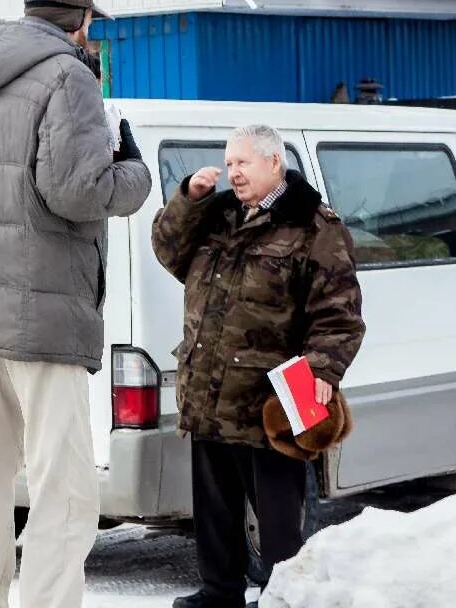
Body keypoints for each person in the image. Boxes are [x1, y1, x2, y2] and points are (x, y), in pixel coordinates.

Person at [0, 0, 153, 608]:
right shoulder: (70, 78)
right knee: (64, 491)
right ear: (80, 21)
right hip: (44, 315)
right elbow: (78, 190)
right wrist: (132, 171)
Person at [151, 125, 366, 608]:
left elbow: (339, 311)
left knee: (277, 518)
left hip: (270, 400)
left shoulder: (315, 226)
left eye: (243, 163)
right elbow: (168, 251)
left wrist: (323, 371)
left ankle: (284, 596)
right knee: (213, 509)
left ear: (275, 163)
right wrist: (188, 198)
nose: (234, 173)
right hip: (209, 390)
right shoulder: (219, 215)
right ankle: (219, 591)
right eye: (229, 164)